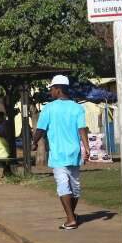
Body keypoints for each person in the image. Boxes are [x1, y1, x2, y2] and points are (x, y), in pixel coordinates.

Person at [32, 75, 89, 230]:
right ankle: (71, 216)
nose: (50, 91)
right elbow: (82, 129)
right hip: (74, 153)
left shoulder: (49, 108)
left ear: (58, 89)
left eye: (51, 88)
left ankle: (71, 219)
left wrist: (34, 142)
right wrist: (87, 147)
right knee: (75, 187)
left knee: (64, 186)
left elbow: (41, 129)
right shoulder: (77, 107)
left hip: (58, 155)